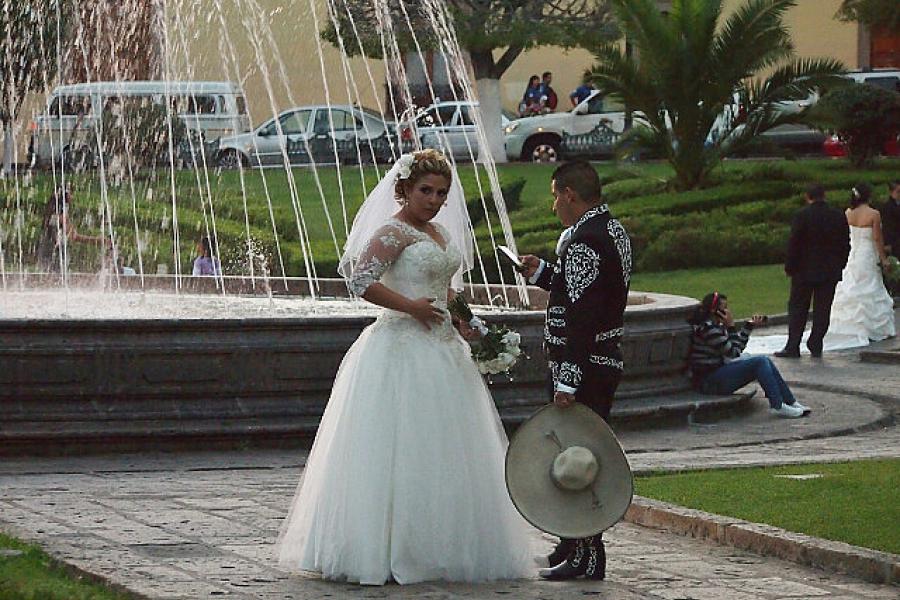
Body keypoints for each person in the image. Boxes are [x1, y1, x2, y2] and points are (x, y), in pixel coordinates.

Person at [277, 150, 532, 585]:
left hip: (443, 349)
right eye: (425, 191)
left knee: (447, 449)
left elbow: (446, 289)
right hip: (400, 347)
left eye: (441, 193)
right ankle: (387, 546)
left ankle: (442, 544)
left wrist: (468, 323)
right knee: (399, 446)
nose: (433, 200)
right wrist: (408, 306)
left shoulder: (436, 232)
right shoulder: (393, 232)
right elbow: (360, 280)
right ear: (404, 190)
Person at [519, 160, 632, 581]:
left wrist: (568, 378)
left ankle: (588, 556)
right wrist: (545, 272)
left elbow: (583, 315)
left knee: (581, 460)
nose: (553, 206)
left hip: (586, 365)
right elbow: (588, 290)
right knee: (575, 456)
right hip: (600, 360)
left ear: (569, 194)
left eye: (554, 196)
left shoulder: (586, 238)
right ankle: (571, 545)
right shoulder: (611, 229)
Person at [689, 292, 809, 418]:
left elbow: (736, 349)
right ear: (715, 310)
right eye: (724, 308)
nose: (728, 312)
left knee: (764, 361)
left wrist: (748, 326)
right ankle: (777, 405)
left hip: (717, 374)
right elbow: (734, 353)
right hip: (709, 381)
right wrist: (731, 327)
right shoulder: (709, 329)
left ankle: (790, 401)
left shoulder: (715, 327)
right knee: (760, 362)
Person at [775, 184, 850, 358]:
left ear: (808, 197)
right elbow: (845, 243)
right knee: (823, 308)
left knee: (798, 307)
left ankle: (793, 345)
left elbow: (794, 243)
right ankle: (816, 340)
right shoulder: (837, 215)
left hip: (804, 269)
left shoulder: (802, 215)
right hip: (829, 269)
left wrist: (790, 266)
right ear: (825, 196)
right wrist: (841, 264)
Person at [827, 183, 896, 342]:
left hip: (853, 253)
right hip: (867, 254)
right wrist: (884, 259)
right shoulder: (874, 214)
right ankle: (873, 327)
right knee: (871, 286)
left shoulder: (848, 213)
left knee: (852, 285)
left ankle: (851, 325)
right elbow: (877, 238)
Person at [36, 186, 109, 272]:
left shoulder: (52, 213)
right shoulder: (60, 217)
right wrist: (97, 240)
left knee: (47, 277)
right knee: (56, 276)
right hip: (54, 252)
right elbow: (74, 237)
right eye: (71, 193)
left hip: (49, 249)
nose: (73, 197)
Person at [881, 180, 899, 259]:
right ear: (891, 192)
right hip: (894, 242)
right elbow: (886, 226)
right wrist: (887, 243)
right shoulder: (887, 207)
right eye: (898, 192)